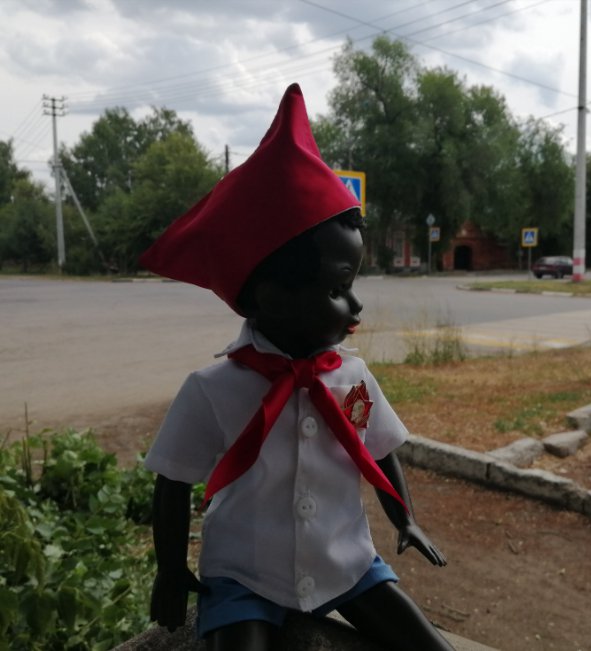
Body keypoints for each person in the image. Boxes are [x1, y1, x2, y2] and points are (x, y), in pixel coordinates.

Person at [140, 83, 454, 651]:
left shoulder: (352, 379)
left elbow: (380, 450)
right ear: (272, 294)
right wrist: (169, 570)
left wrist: (404, 519)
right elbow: (173, 482)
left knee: (428, 645)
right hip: (244, 570)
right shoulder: (214, 390)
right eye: (339, 288)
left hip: (347, 562)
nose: (355, 308)